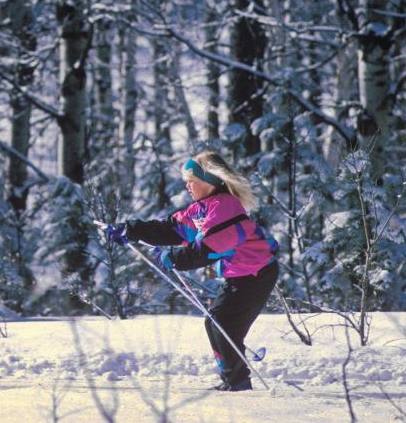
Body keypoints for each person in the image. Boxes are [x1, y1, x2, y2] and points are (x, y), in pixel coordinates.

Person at [104, 151, 279, 392]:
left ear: (210, 181)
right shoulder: (202, 208)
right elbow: (172, 230)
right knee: (215, 323)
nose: (187, 186)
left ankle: (237, 382)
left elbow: (206, 249)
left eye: (192, 180)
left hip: (256, 273)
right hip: (240, 274)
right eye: (186, 181)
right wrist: (130, 230)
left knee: (222, 323)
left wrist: (173, 258)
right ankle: (234, 379)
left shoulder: (225, 207)